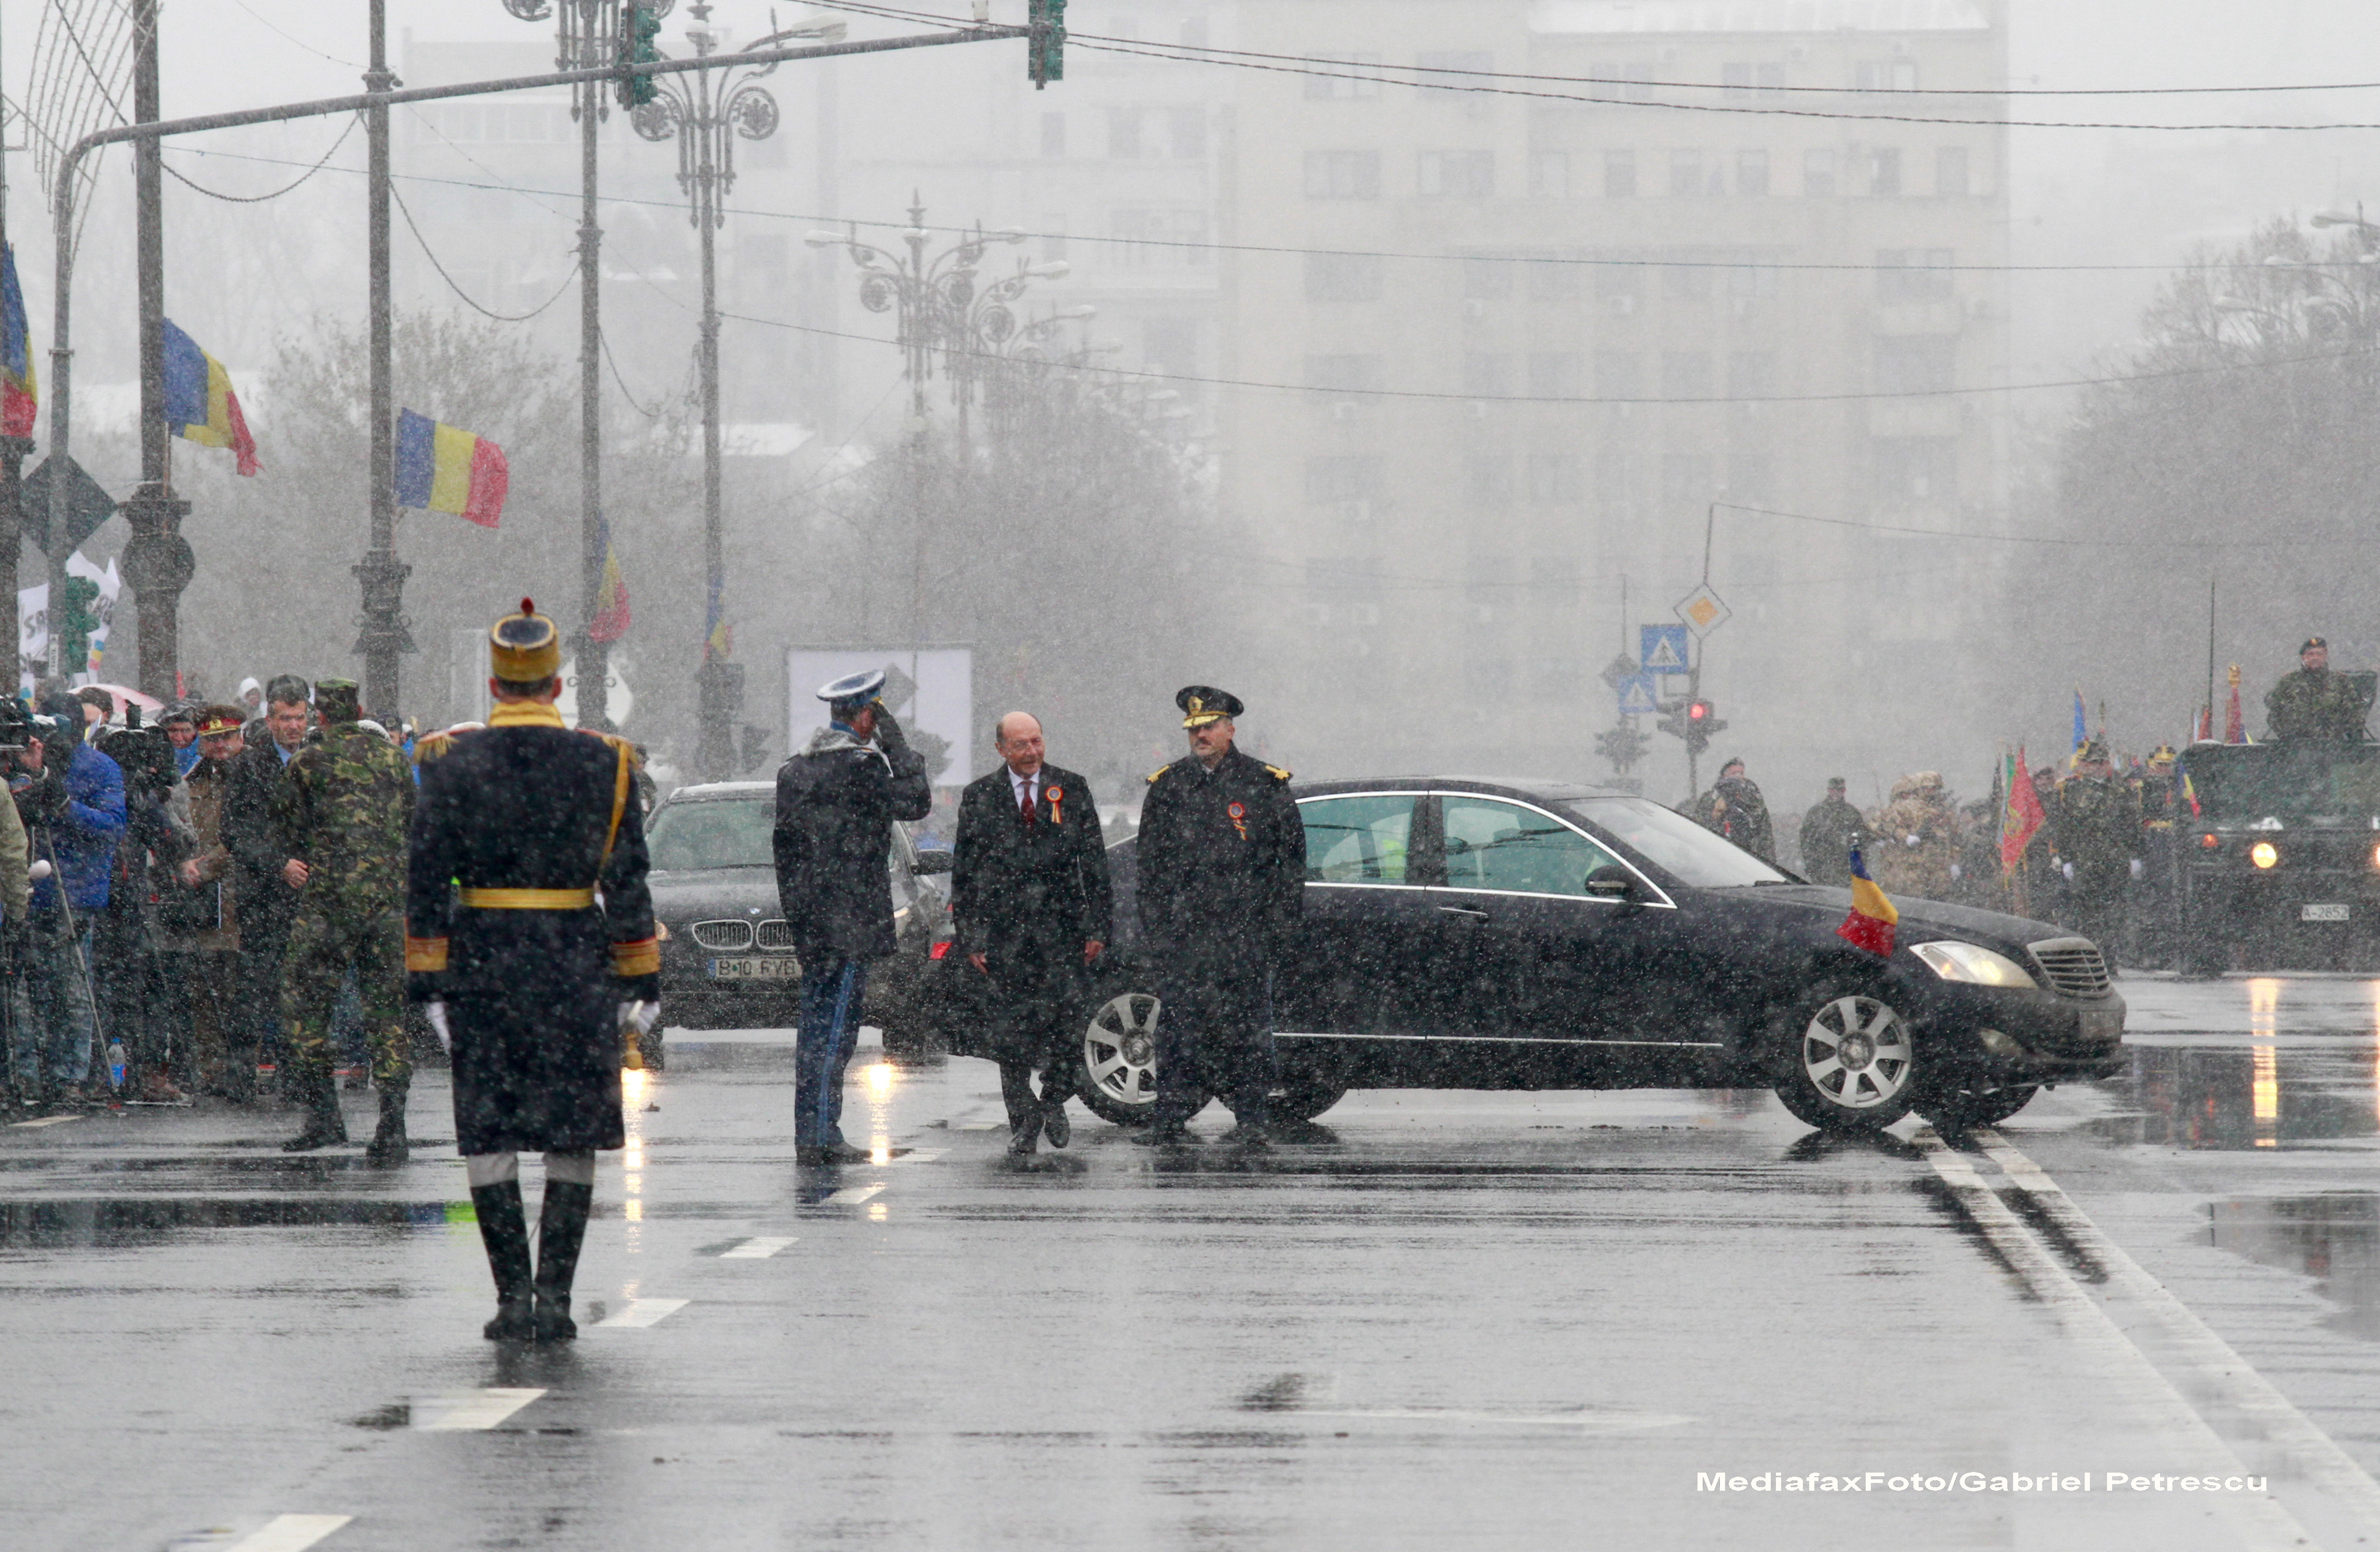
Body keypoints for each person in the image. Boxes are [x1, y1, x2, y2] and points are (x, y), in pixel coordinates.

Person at [406, 600, 658, 1342]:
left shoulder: (450, 763)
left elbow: (424, 879)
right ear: (555, 685)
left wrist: (428, 976)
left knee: (491, 1130)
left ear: (495, 682)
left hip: (483, 961)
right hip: (573, 962)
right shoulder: (606, 763)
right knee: (569, 1131)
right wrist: (639, 975)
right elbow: (630, 880)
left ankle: (511, 1297)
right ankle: (556, 1297)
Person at [772, 669, 932, 1166]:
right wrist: (899, 744)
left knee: (813, 1034)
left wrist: (802, 920)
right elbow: (917, 801)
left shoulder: (794, 770)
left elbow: (787, 856)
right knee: (836, 1034)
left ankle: (811, 1132)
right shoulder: (863, 767)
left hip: (815, 925)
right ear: (867, 716)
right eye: (877, 714)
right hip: (851, 922)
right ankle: (823, 1137)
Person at [1134, 686, 1302, 1149]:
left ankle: (1251, 1120)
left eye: (1209, 726)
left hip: (1244, 937)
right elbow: (1150, 871)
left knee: (1247, 1031)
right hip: (1187, 939)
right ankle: (1168, 1121)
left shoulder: (1263, 784)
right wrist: (1160, 934)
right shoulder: (1169, 786)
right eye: (1194, 728)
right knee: (1178, 1032)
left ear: (1230, 729)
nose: (1200, 735)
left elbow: (1288, 867)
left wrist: (1277, 931)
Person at [952, 711, 1113, 1156]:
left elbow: (1094, 863)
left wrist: (1098, 925)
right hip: (1006, 935)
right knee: (1011, 1035)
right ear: (1002, 748)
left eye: (1037, 742)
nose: (1031, 752)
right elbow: (965, 872)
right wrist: (970, 935)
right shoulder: (980, 796)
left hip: (1062, 932)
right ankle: (1023, 1119)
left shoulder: (1071, 788)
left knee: (1066, 1027)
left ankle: (1053, 1098)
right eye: (1021, 745)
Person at [273, 679, 418, 1161]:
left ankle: (324, 1116)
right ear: (358, 709)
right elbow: (415, 824)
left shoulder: (306, 762)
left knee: (307, 1005)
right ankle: (393, 1121)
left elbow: (289, 828)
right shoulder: (395, 759)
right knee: (387, 1012)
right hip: (386, 905)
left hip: (328, 904)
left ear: (320, 714)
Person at [7, 700, 125, 1109]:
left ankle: (69, 1075)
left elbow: (112, 826)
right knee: (18, 991)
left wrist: (63, 805)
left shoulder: (99, 767)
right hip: (21, 893)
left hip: (73, 895)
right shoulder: (14, 762)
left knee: (71, 989)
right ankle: (23, 1072)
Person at [93, 713, 195, 1104]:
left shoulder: (147, 795)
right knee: (112, 986)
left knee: (146, 988)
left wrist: (160, 798)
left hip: (135, 902)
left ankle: (146, 1070)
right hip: (106, 901)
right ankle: (105, 1072)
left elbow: (175, 842)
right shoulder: (101, 785)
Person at [221, 675, 311, 1098]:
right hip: (263, 896)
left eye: (299, 717)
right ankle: (240, 1074)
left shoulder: (318, 760)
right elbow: (235, 831)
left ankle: (299, 1075)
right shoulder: (248, 766)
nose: (293, 726)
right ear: (270, 719)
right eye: (285, 718)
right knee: (255, 987)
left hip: (310, 896)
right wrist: (279, 863)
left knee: (304, 989)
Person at [161, 706, 247, 1098]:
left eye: (227, 738)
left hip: (248, 896)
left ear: (240, 738)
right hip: (203, 902)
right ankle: (211, 1068)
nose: (220, 747)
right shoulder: (187, 780)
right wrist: (184, 864)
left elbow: (249, 835)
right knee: (204, 989)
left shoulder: (255, 777)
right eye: (212, 740)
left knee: (246, 989)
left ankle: (246, 1066)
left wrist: (206, 865)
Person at [2051, 740, 2138, 968]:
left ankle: (2109, 961)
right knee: (2086, 914)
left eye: (2102, 762)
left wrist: (2136, 854)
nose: (2098, 767)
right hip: (2085, 860)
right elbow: (2065, 826)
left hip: (2115, 860)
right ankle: (2089, 960)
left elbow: (2133, 824)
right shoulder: (2072, 790)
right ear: (2085, 765)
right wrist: (2066, 858)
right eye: (2093, 763)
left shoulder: (2122, 789)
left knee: (2115, 913)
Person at [1868, 772, 1960, 900]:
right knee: (1911, 899)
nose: (1932, 791)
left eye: (1936, 788)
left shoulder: (1946, 811)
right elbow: (1887, 825)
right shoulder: (1905, 806)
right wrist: (1905, 837)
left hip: (1938, 867)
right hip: (1911, 865)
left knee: (1938, 900)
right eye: (1928, 788)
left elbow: (1954, 839)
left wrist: (1954, 863)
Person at [2265, 637, 2371, 741]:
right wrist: (2287, 737)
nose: (2315, 658)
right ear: (2303, 657)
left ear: (2325, 656)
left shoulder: (2340, 681)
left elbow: (2355, 714)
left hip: (2335, 747)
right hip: (2296, 748)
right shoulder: (2289, 682)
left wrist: (2346, 740)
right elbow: (2275, 714)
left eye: (2319, 654)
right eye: (2310, 654)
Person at [1687, 758, 1774, 861]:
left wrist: (1768, 861)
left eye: (1741, 773)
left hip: (1748, 856)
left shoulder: (1753, 799)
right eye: (1734, 773)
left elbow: (1765, 834)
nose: (1738, 776)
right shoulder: (1711, 798)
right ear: (1725, 775)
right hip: (1718, 855)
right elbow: (1701, 825)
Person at [1796, 777, 1866, 886]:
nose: (1837, 793)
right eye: (1834, 790)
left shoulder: (1852, 813)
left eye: (1840, 790)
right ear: (1829, 790)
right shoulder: (1816, 812)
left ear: (1844, 791)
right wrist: (1812, 864)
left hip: (1845, 870)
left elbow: (1862, 841)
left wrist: (1859, 866)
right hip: (1821, 869)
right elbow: (1806, 840)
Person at [160, 703, 201, 779]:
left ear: (196, 731)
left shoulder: (208, 756)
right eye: (173, 730)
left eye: (185, 731)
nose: (179, 738)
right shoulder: (151, 756)